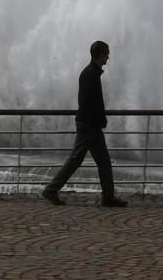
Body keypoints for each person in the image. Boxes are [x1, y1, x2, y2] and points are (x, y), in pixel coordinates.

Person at [42, 41, 128, 207]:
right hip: (89, 125)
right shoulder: (90, 74)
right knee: (78, 160)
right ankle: (52, 189)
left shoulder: (91, 73)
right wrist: (99, 119)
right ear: (100, 54)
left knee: (102, 161)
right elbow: (87, 102)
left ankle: (108, 196)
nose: (108, 57)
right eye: (107, 54)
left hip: (90, 124)